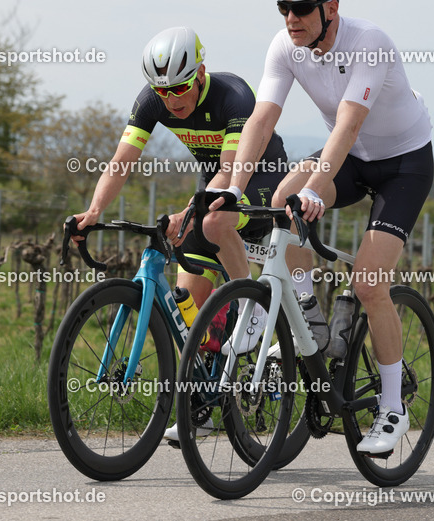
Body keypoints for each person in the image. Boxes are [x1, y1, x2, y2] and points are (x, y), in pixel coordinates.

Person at [222, 0, 434, 455]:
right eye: (284, 8)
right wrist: (232, 189)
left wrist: (316, 187)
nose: (291, 18)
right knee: (280, 200)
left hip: (403, 163)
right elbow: (261, 120)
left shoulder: (370, 43)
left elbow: (348, 123)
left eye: (302, 7)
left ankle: (392, 408)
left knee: (369, 282)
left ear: (331, 8)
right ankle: (308, 314)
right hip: (353, 160)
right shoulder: (286, 46)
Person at [72, 26, 288, 439]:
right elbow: (122, 160)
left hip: (259, 179)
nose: (173, 100)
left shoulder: (234, 96)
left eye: (181, 88)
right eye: (163, 91)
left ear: (201, 73)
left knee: (212, 220)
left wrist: (186, 211)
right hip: (210, 190)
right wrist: (95, 210)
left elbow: (227, 172)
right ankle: (205, 404)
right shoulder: (153, 100)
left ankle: (251, 304)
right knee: (191, 307)